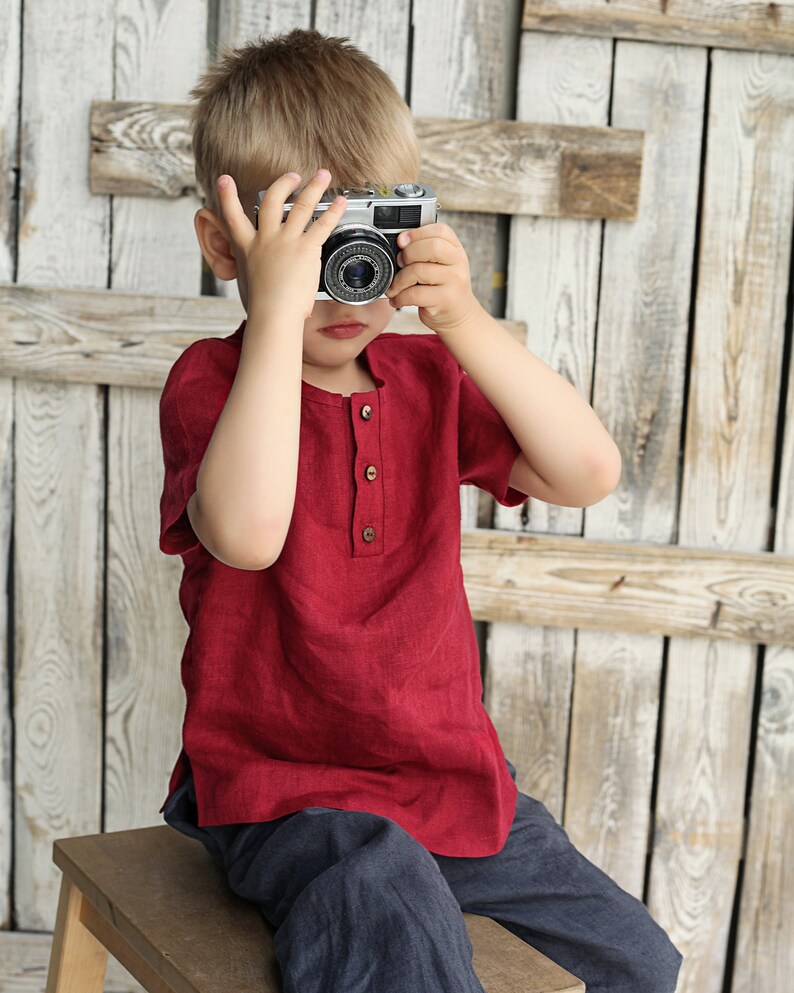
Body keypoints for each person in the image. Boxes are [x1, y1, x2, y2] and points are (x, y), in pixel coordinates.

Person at [158, 27, 682, 993]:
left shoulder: (433, 376)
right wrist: (273, 312)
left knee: (635, 959)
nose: (343, 282)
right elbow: (246, 530)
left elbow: (588, 472)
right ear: (221, 244)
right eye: (304, 242)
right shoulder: (216, 382)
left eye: (361, 239)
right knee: (389, 907)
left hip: (446, 784)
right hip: (284, 794)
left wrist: (465, 321)